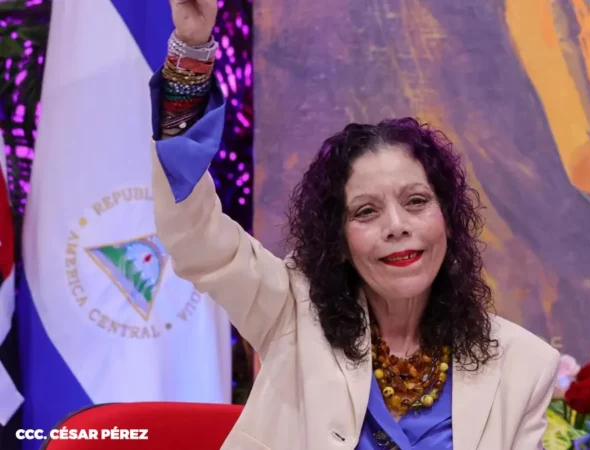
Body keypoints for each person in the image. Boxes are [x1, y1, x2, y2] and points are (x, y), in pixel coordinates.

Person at [152, 0, 560, 448]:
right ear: (340, 240)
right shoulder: (290, 311)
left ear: (447, 219)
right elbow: (196, 236)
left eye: (416, 201)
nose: (396, 226)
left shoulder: (523, 365)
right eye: (366, 211)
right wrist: (191, 50)